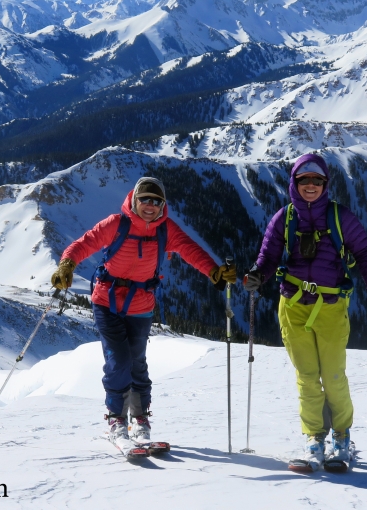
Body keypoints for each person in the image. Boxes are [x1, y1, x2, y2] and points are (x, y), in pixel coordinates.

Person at [51, 177, 236, 446]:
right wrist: (67, 264)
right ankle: (116, 418)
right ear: (134, 200)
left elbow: (189, 249)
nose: (150, 206)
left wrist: (213, 271)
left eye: (156, 201)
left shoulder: (165, 229)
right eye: (145, 200)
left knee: (137, 362)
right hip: (107, 301)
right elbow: (85, 243)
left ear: (163, 205)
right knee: (120, 360)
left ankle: (139, 418)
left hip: (141, 305)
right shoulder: (116, 224)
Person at [243, 153, 367, 469]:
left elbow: (364, 252)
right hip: (293, 307)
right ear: (294, 182)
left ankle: (341, 438)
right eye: (304, 180)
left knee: (333, 376)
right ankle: (314, 438)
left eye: (317, 180)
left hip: (331, 307)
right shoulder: (283, 218)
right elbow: (268, 257)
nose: (311, 185)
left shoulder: (340, 218)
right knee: (307, 378)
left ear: (326, 184)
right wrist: (258, 273)